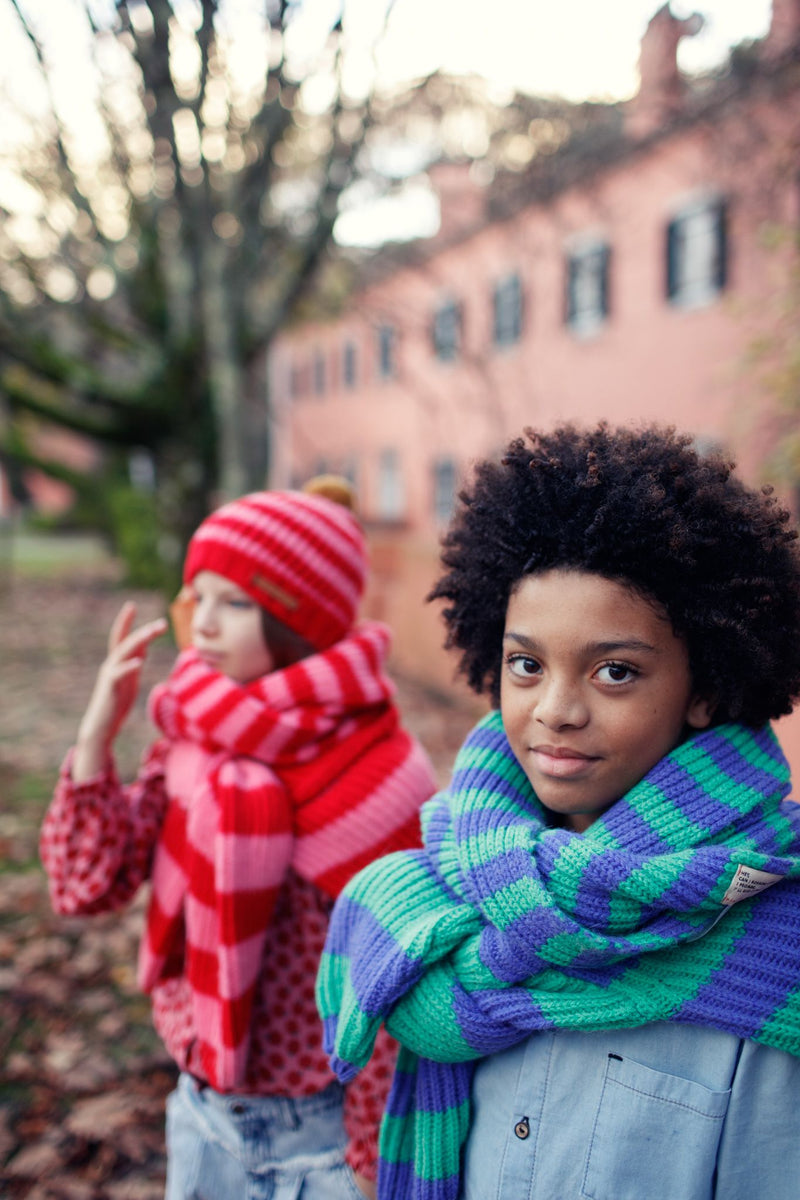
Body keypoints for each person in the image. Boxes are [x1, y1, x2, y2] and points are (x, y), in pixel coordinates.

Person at [316, 424, 800, 1200]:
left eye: (614, 672)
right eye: (526, 664)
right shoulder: (437, 908)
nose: (556, 710)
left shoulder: (777, 943)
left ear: (705, 687)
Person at [41, 477, 437, 1200]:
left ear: (300, 620)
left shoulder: (382, 776)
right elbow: (89, 882)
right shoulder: (190, 734)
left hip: (323, 1134)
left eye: (237, 603)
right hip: (198, 1113)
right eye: (201, 598)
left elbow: (397, 978)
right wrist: (97, 737)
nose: (206, 626)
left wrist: (373, 1152)